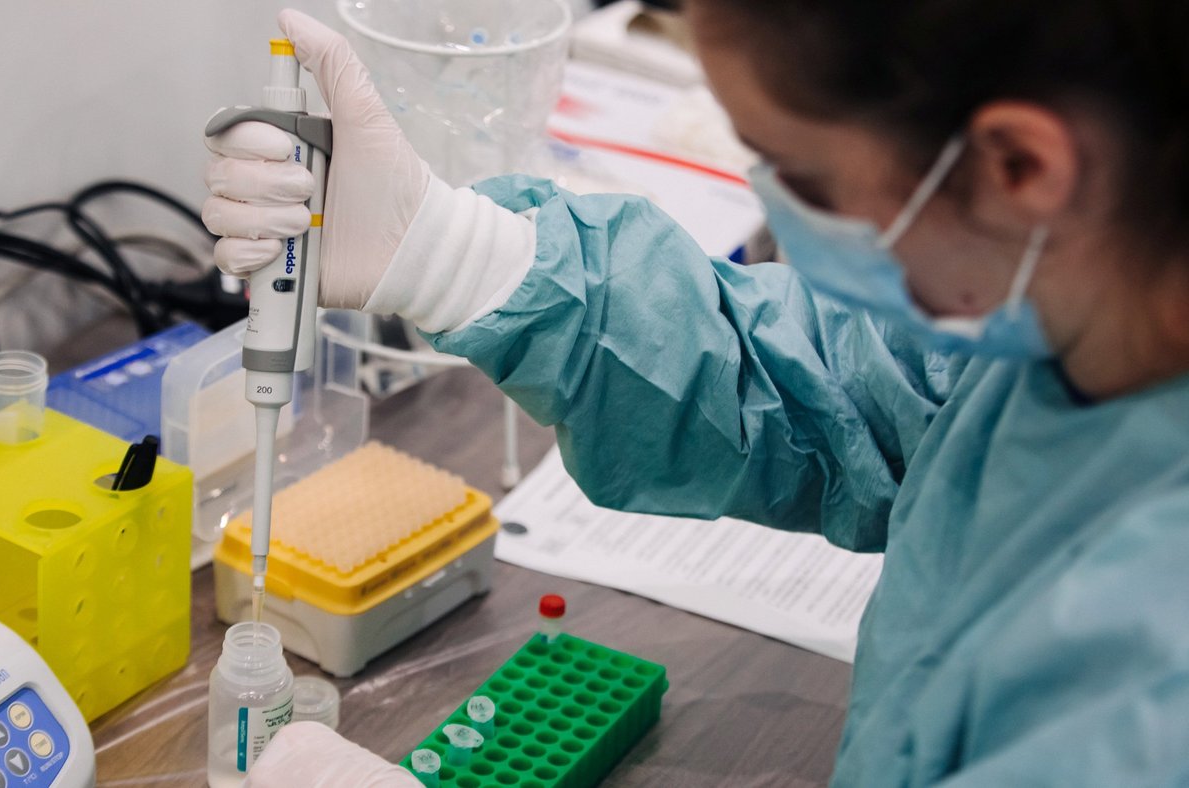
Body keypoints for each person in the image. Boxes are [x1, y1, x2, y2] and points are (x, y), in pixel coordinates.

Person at [202, 3, 1189, 785]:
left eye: (798, 173)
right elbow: (840, 388)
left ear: (1019, 165)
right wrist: (450, 253)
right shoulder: (1076, 305)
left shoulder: (1150, 677)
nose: (771, 208)